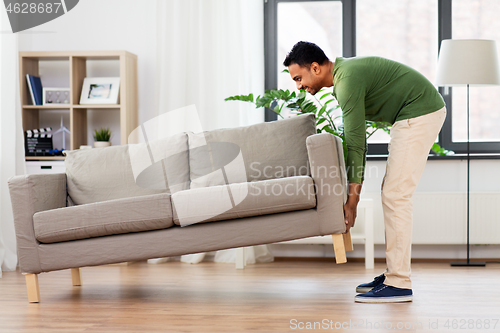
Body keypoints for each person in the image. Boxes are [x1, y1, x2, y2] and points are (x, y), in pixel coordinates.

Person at [283, 41, 446, 303]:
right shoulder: (345, 76)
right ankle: (394, 273)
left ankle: (400, 283)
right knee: (393, 194)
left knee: (396, 196)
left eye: (299, 78)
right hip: (413, 114)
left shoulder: (347, 81)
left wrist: (353, 200)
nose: (298, 86)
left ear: (315, 67)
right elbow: (356, 142)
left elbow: (357, 144)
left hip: (419, 112)